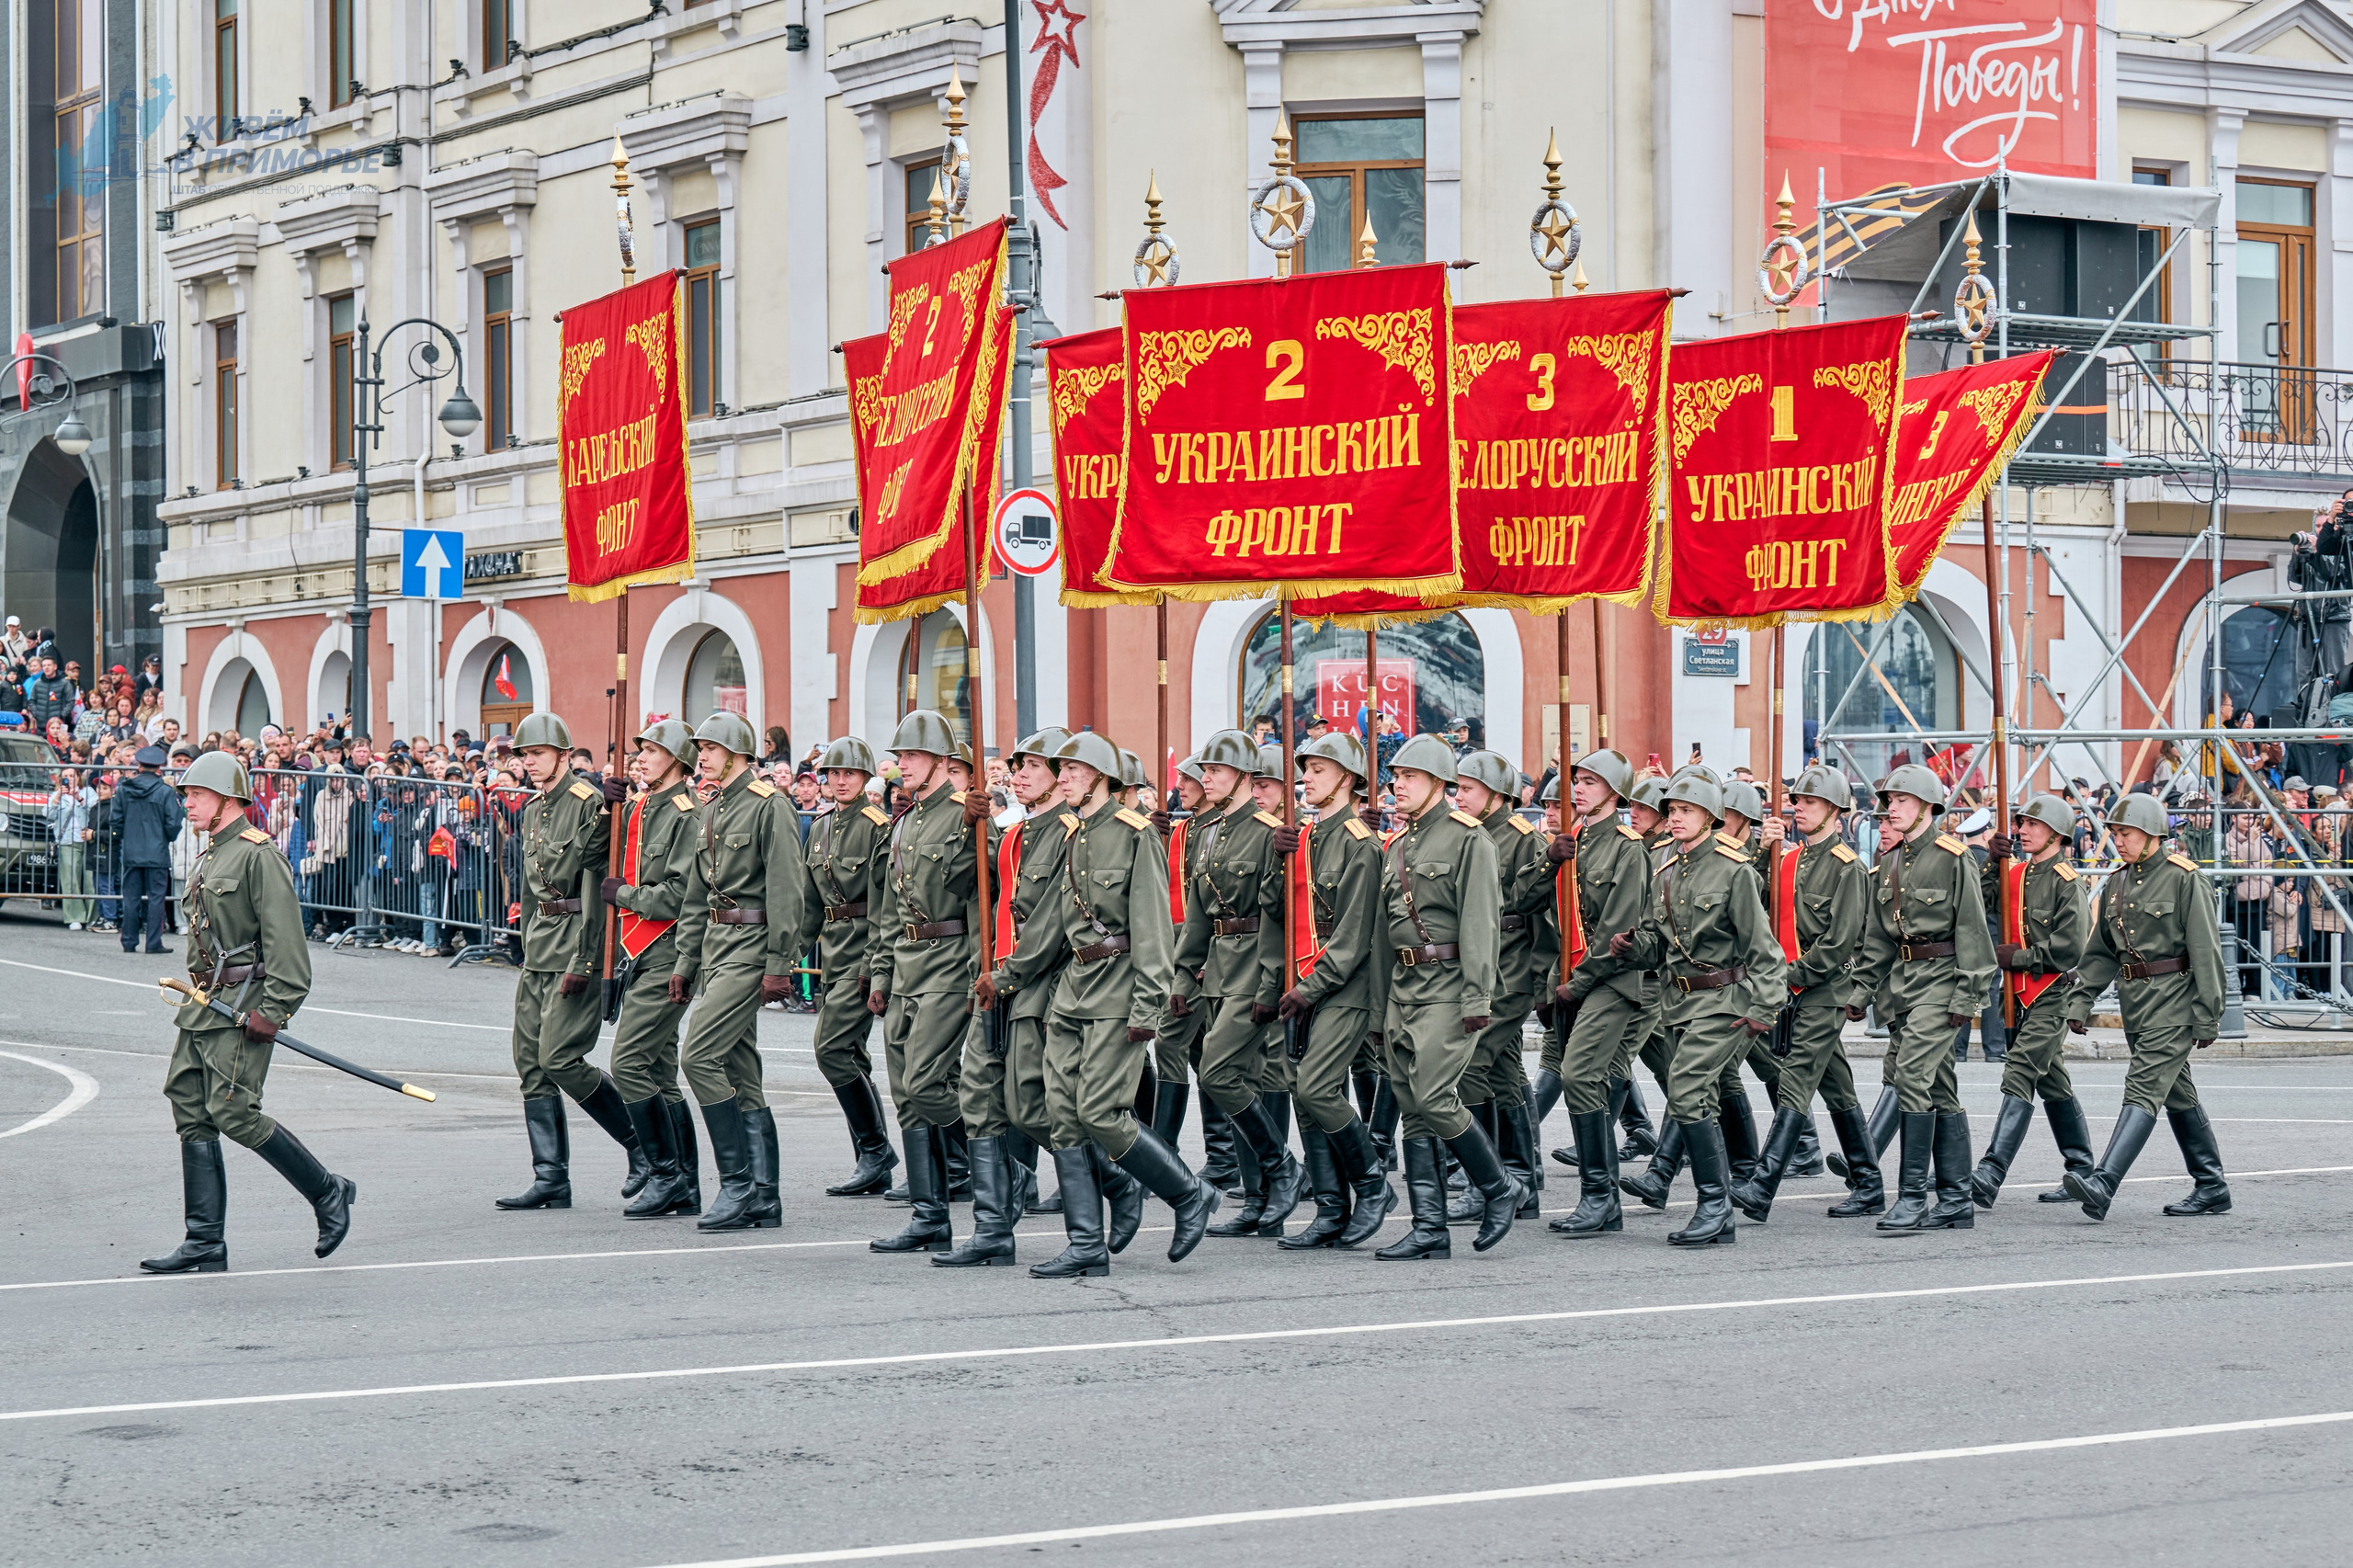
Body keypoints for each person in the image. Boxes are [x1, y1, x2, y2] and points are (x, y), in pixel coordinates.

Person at [979, 730, 1216, 1275]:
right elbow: (1047, 927)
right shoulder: (1072, 836)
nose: (1063, 779)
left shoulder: (1134, 835)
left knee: (1101, 1113)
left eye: (1072, 772)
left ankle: (1188, 1194)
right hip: (1072, 991)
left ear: (1102, 777)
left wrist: (1149, 1005)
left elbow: (1154, 928)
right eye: (1060, 772)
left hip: (1118, 988)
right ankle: (1086, 1245)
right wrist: (1006, 975)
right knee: (1062, 1117)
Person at [140, 752, 353, 1274]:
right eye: (185, 794)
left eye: (196, 794)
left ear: (228, 799)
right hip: (203, 1004)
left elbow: (290, 952)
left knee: (234, 1111)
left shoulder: (259, 856)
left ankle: (328, 1192)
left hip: (242, 1006)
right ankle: (205, 1241)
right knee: (190, 1105)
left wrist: (275, 1011)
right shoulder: (213, 854)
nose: (185, 802)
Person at [1607, 772, 1787, 1247]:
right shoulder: (1665, 868)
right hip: (1679, 1002)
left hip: (1726, 999)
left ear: (1709, 816)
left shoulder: (1735, 869)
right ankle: (1720, 1206)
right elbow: (1659, 947)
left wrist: (1766, 1008)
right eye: (1672, 811)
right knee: (1700, 1097)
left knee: (1685, 1088)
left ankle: (1714, 1207)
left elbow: (1765, 951)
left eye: (1685, 811)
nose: (1675, 818)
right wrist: (1631, 946)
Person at [492, 712, 647, 1214]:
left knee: (559, 1058)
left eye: (537, 754)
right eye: (524, 756)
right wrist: (524, 943)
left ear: (562, 755)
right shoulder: (533, 810)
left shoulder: (589, 805)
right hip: (540, 948)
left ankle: (642, 1147)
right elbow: (534, 888)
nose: (529, 763)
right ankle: (551, 1178)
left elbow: (593, 887)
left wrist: (586, 959)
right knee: (530, 1065)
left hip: (575, 946)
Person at [1371, 733, 1518, 1260]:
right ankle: (1429, 1226)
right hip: (1404, 991)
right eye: (1396, 779)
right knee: (1412, 1107)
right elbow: (1385, 935)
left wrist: (1479, 997)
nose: (1398, 787)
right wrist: (1377, 1007)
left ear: (1438, 783)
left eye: (1409, 778)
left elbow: (1482, 923)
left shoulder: (1468, 839)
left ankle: (1500, 1188)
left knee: (1435, 1096)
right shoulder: (1399, 845)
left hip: (1449, 985)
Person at [936, 725, 1077, 1268]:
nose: (1019, 776)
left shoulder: (1068, 833)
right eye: (1015, 767)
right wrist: (965, 826)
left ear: (1061, 777)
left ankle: (1120, 1179)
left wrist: (1009, 975)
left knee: (1032, 1106)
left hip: (1037, 986)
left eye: (1032, 767)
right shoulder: (1014, 832)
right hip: (995, 981)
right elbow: (958, 881)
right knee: (978, 1097)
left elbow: (1052, 922)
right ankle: (993, 1228)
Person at [1845, 764, 1999, 1233]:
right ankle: (1955, 1200)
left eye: (1903, 801)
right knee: (1939, 1087)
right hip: (1904, 986)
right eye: (1890, 801)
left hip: (1944, 981)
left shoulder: (1954, 858)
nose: (1893, 808)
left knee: (1911, 1075)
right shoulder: (1888, 862)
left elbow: (1974, 931)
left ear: (1929, 807)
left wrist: (1968, 996)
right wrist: (1861, 990)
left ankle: (1912, 1197)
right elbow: (1878, 940)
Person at [2062, 793, 2231, 1221]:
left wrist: (2209, 1013)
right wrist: (2080, 1001)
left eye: (2126, 833)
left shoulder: (2184, 878)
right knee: (2177, 1094)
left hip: (2175, 1001)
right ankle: (2211, 1186)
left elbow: (2206, 951)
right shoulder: (2118, 881)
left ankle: (2103, 1182)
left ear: (2153, 833)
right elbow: (2101, 953)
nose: (2118, 840)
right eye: (2115, 833)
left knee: (2142, 1088)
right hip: (2137, 1006)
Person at [669, 710, 808, 1231]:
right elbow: (696, 893)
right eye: (699, 747)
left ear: (737, 752)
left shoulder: (769, 805)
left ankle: (737, 1184)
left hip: (751, 945)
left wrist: (780, 963)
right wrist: (687, 960)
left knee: (699, 1056)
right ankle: (764, 1197)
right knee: (741, 1071)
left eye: (709, 747)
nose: (701, 755)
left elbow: (787, 889)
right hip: (716, 944)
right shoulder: (714, 807)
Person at [1171, 727, 1301, 1238]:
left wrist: (1274, 983)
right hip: (1220, 967)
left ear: (1245, 776)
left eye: (1216, 771)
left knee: (1221, 1072)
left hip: (1258, 968)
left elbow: (1284, 917)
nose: (1206, 779)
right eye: (1205, 771)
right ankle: (1260, 1196)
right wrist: (1184, 974)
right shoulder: (1208, 833)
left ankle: (1284, 1169)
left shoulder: (1273, 831)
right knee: (1243, 1078)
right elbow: (1201, 914)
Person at [1270, 728, 1396, 1250]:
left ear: (1347, 779)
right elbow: (1280, 913)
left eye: (1318, 770)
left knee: (1316, 1086)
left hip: (1344, 985)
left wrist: (1310, 986)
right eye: (1305, 770)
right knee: (1306, 1095)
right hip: (1306, 980)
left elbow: (1352, 936)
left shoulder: (1360, 844)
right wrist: (1275, 862)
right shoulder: (1308, 837)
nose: (1306, 779)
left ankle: (1372, 1183)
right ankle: (1329, 1208)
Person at [1735, 765, 1878, 1221]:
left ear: (1834, 812)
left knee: (1794, 1077)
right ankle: (1869, 1182)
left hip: (1823, 989)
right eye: (1797, 800)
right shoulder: (1788, 858)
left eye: (1809, 802)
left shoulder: (1847, 867)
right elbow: (1753, 895)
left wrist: (1790, 973)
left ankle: (1762, 1186)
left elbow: (1839, 944)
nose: (1798, 807)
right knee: (1836, 1086)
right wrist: (1761, 851)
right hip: (1791, 985)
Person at [868, 710, 981, 1255]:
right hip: (908, 963)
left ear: (938, 760)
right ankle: (930, 1214)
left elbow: (982, 899)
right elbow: (891, 909)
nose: (899, 766)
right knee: (906, 1097)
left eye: (909, 756)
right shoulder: (906, 820)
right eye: (899, 756)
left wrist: (982, 972)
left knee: (926, 1082)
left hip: (950, 960)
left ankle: (995, 1152)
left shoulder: (965, 815)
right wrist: (882, 972)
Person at [595, 718, 706, 1220]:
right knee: (660, 1072)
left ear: (678, 763)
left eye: (653, 752)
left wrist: (625, 896)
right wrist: (604, 808)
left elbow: (681, 895)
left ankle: (663, 1173)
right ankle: (683, 1183)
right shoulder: (638, 807)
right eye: (640, 750)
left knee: (629, 1063)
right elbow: (597, 856)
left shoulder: (687, 813)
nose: (640, 758)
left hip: (668, 949)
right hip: (638, 951)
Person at [1542, 748, 1655, 1238]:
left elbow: (1617, 928)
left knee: (1578, 1073)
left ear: (1614, 792)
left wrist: (1577, 984)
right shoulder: (1575, 842)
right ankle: (1604, 1200)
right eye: (1577, 781)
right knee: (1599, 1074)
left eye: (1591, 781)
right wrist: (1549, 861)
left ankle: (1597, 1196)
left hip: (1611, 980)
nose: (1579, 789)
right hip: (1573, 980)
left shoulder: (1628, 848)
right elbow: (1541, 910)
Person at [1968, 792, 2094, 1208]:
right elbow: (1984, 901)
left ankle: (1989, 1173)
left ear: (2056, 834)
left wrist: (2017, 958)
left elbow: (2069, 949)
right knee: (2051, 1079)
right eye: (2021, 824)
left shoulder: (2067, 882)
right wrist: (1991, 861)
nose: (2022, 831)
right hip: (2018, 994)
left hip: (2052, 992)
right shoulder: (2015, 872)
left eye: (2031, 825)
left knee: (2020, 1072)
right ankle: (2081, 1169)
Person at [790, 735, 899, 1199]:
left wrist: (874, 966)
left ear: (866, 778)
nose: (839, 782)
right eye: (833, 774)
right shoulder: (820, 827)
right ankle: (872, 1160)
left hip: (864, 953)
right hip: (835, 952)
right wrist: (788, 957)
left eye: (849, 774)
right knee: (850, 1055)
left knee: (831, 1051)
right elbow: (811, 905)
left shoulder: (877, 826)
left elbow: (883, 906)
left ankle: (876, 1151)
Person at [1450, 749, 1548, 1219]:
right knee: (1505, 1074)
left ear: (1496, 794)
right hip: (1479, 963)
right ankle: (1522, 1177)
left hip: (1509, 967)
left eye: (1468, 788)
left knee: (1471, 1062)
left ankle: (1486, 1179)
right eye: (1459, 787)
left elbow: (1539, 910)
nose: (1459, 796)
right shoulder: (1464, 835)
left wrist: (1546, 979)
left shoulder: (1522, 839)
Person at [113, 745, 186, 954]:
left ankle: (129, 940)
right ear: (158, 768)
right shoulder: (165, 792)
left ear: (139, 765)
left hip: (132, 851)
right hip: (157, 852)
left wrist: (123, 839)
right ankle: (153, 942)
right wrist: (167, 838)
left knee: (131, 897)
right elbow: (173, 823)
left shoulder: (125, 789)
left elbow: (115, 820)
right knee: (156, 899)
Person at [46, 767, 97, 929]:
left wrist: (79, 799)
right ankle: (74, 916)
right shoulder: (57, 795)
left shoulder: (88, 791)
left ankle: (92, 917)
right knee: (70, 880)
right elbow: (47, 814)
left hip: (88, 840)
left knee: (91, 880)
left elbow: (95, 810)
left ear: (78, 777)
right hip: (68, 840)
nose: (69, 778)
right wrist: (58, 798)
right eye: (65, 776)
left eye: (72, 775)